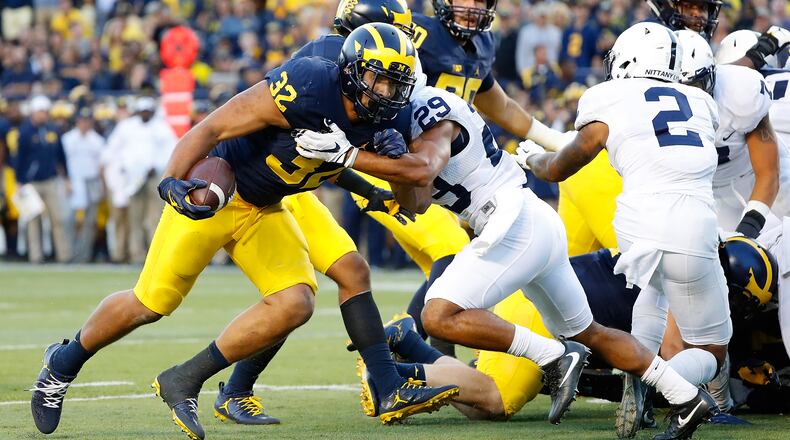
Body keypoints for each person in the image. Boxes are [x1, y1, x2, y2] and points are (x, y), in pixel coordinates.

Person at [29, 23, 458, 439]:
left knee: (295, 302)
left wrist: (375, 175)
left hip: (268, 206)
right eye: (377, 79)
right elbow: (215, 125)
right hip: (218, 193)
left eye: (395, 85)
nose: (385, 93)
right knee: (150, 303)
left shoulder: (387, 122)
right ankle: (63, 361)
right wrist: (171, 179)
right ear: (350, 71)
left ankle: (186, 379)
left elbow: (338, 166)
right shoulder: (309, 83)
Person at [297, 24, 719, 440]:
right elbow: (418, 202)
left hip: (511, 219)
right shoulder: (400, 125)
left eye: (393, 85)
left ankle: (553, 356)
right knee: (591, 333)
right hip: (530, 221)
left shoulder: (431, 107)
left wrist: (352, 155)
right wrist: (384, 166)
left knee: (438, 314)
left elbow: (424, 166)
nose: (385, 94)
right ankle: (684, 395)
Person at [517, 22, 729, 440]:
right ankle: (657, 380)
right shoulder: (703, 103)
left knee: (653, 289)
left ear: (630, 59)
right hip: (692, 222)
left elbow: (560, 166)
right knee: (712, 351)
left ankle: (641, 369)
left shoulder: (606, 96)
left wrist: (533, 161)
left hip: (635, 223)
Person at [13, 95, 72, 263]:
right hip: (31, 183)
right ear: (33, 112)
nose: (43, 115)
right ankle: (36, 256)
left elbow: (61, 156)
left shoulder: (53, 130)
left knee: (58, 218)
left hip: (51, 180)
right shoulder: (24, 132)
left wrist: (67, 178)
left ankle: (64, 255)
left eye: (45, 111)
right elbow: (19, 158)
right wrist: (19, 181)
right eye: (40, 111)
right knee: (33, 221)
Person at [61, 108, 105, 263]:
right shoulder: (67, 139)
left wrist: (102, 185)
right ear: (77, 121)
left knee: (89, 221)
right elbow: (60, 162)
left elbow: (102, 165)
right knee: (69, 219)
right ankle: (69, 253)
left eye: (87, 121)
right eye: (82, 120)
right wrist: (65, 180)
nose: (84, 124)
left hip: (91, 181)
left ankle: (83, 255)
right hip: (72, 181)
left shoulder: (97, 140)